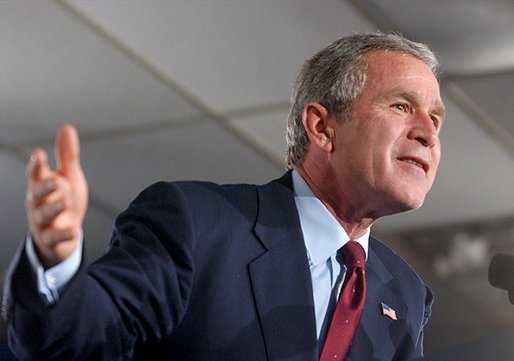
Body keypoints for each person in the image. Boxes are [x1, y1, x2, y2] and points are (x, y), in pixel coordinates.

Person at [3, 32, 444, 360]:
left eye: (436, 119)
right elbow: (78, 340)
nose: (427, 133)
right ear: (322, 128)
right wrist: (55, 261)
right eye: (401, 107)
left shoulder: (403, 293)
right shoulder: (198, 225)